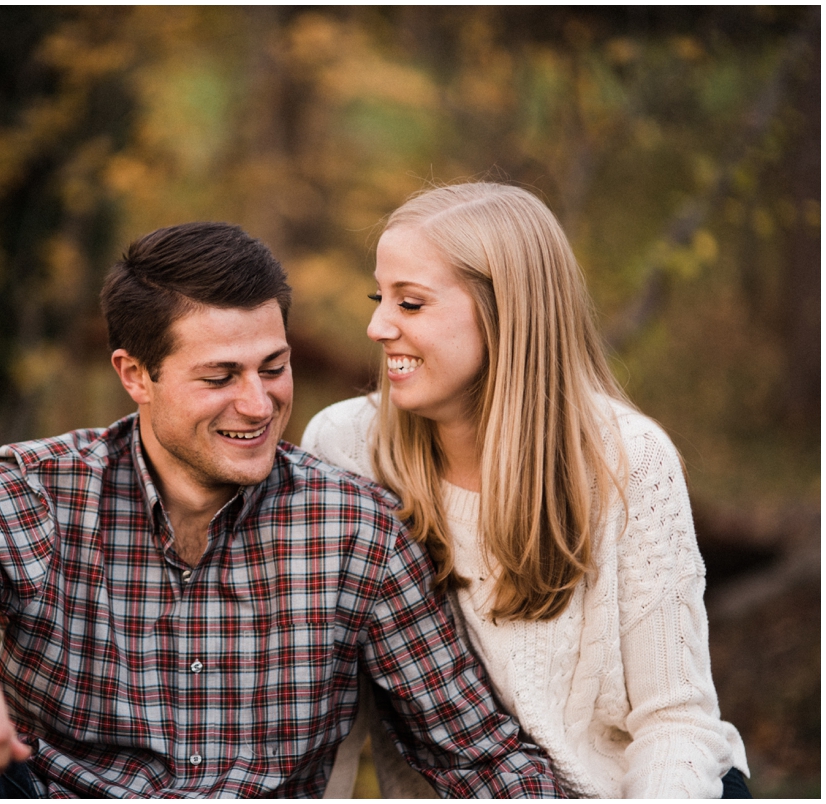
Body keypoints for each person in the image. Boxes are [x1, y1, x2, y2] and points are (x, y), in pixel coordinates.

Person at [0, 221, 560, 798]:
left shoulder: (352, 530)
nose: (258, 405)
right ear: (135, 374)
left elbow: (475, 751)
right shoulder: (47, 492)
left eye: (275, 367)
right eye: (220, 375)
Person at [304, 182, 751, 798]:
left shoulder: (627, 459)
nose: (377, 326)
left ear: (503, 312)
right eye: (379, 297)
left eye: (410, 304)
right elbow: (330, 709)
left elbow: (673, 719)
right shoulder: (347, 447)